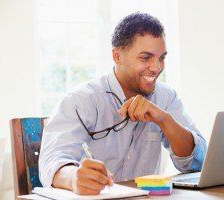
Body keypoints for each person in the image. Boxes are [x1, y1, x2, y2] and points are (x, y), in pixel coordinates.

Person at [39, 12, 207, 195]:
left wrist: (165, 120)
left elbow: (197, 163)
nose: (157, 67)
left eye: (161, 58)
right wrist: (73, 178)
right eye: (145, 58)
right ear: (117, 56)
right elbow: (52, 161)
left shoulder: (167, 97)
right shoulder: (81, 100)